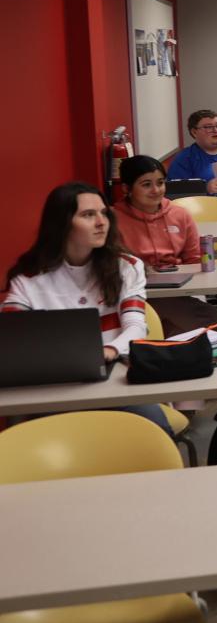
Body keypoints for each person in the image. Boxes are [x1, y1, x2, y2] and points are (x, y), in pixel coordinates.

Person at [3, 182, 171, 434]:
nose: (101, 222)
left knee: (154, 425)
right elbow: (15, 343)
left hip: (116, 380)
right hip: (52, 388)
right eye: (88, 215)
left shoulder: (126, 266)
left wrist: (111, 350)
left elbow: (137, 326)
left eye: (104, 213)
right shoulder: (27, 279)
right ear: (62, 223)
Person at [113, 155, 217, 336]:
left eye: (160, 182)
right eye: (146, 184)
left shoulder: (179, 214)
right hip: (135, 294)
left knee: (210, 321)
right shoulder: (113, 219)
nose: (156, 190)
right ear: (127, 188)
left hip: (178, 291)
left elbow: (194, 259)